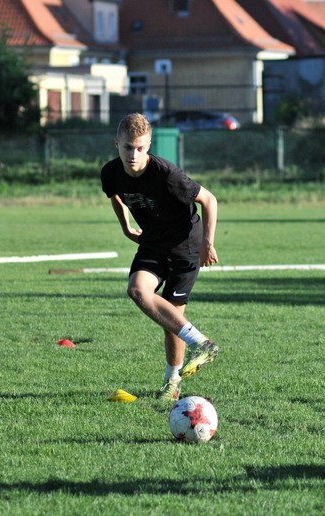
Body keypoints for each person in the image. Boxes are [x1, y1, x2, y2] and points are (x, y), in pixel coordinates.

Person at [100, 113, 220, 402]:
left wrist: (208, 242)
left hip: (185, 246)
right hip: (153, 242)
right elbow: (114, 195)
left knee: (172, 318)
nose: (134, 154)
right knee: (137, 290)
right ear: (117, 144)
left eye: (140, 148)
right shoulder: (110, 172)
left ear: (149, 145)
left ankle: (172, 381)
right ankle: (202, 343)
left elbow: (209, 199)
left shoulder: (168, 176)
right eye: (128, 147)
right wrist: (125, 225)